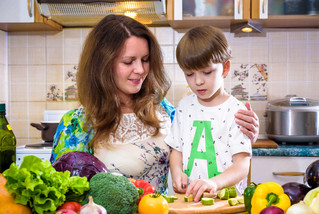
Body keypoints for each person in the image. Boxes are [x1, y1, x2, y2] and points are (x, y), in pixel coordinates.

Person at [50, 15, 259, 194]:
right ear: (102, 65)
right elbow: (66, 199)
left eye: (145, 59)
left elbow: (205, 136)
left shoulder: (163, 108)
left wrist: (246, 130)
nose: (141, 69)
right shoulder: (76, 125)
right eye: (128, 61)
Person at [164, 25, 252, 201]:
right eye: (189, 74)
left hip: (225, 202)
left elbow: (242, 165)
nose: (198, 81)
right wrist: (177, 172)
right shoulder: (183, 107)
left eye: (207, 72)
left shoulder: (236, 111)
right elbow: (177, 150)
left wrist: (214, 183)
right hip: (189, 200)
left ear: (225, 68)